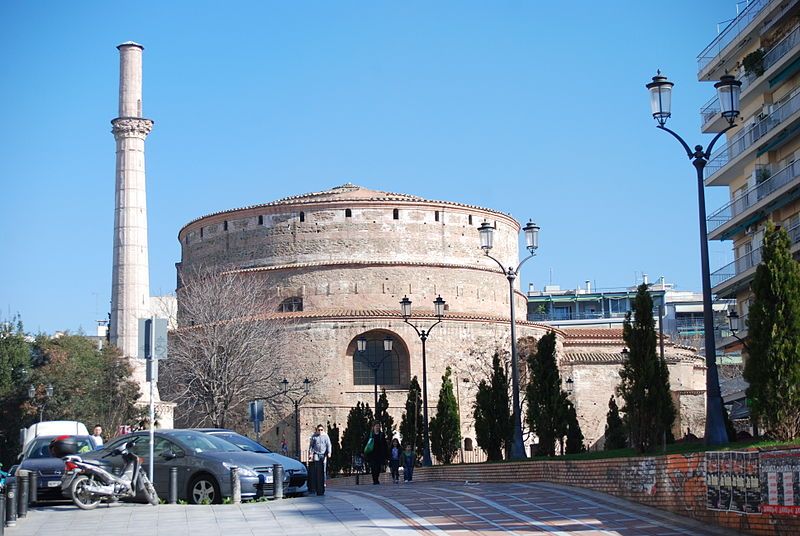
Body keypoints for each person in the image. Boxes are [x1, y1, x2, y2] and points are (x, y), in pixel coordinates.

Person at [308, 424, 332, 495]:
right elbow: (311, 446)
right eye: (319, 430)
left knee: (323, 470)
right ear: (317, 430)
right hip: (316, 454)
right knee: (317, 470)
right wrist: (310, 454)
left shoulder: (326, 436)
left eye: (322, 430)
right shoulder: (314, 437)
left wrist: (329, 452)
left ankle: (323, 483)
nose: (320, 431)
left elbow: (329, 445)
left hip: (323, 455)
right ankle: (317, 486)